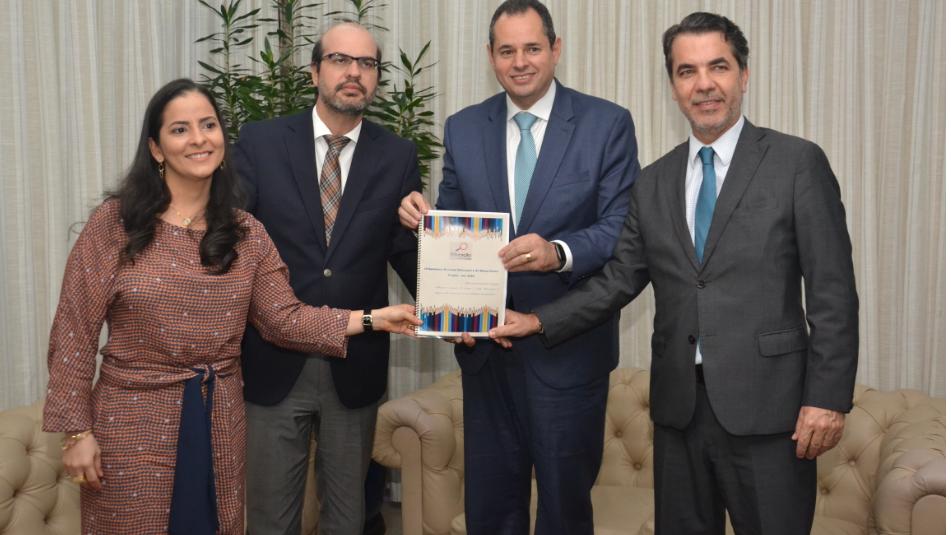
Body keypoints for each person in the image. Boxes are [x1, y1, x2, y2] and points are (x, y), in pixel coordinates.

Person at [491, 12, 859, 535]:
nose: (703, 84)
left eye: (718, 67)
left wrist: (826, 398)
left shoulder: (796, 163)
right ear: (672, 86)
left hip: (771, 413)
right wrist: (537, 321)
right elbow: (619, 279)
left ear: (744, 75)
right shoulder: (653, 182)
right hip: (679, 413)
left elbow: (833, 293)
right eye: (687, 71)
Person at [42, 78, 419, 535]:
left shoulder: (246, 233)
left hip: (218, 418)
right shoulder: (115, 224)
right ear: (156, 148)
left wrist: (373, 319)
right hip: (131, 420)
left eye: (208, 125)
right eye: (180, 129)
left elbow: (284, 319)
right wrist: (77, 433)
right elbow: (74, 333)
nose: (198, 139)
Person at [398, 1, 639, 532]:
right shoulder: (464, 128)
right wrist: (425, 225)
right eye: (507, 51)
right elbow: (456, 230)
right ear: (490, 56)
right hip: (486, 357)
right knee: (490, 511)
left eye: (532, 48)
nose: (520, 62)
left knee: (564, 511)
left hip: (568, 352)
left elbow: (620, 229)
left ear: (556, 49)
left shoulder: (606, 124)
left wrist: (559, 251)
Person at [232, 22, 421, 535]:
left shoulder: (398, 155)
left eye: (367, 63)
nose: (354, 72)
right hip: (273, 359)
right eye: (340, 60)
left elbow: (405, 252)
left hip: (355, 366)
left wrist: (457, 300)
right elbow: (234, 243)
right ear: (315, 71)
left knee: (347, 519)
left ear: (376, 77)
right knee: (270, 519)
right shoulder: (261, 142)